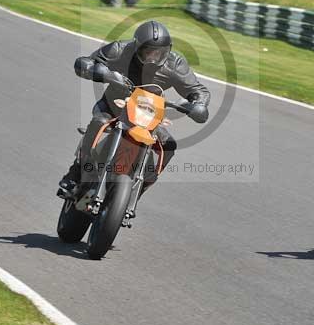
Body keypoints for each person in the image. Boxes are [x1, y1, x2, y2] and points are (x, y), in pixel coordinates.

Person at [59, 20, 211, 197]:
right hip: (113, 106)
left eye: (159, 52)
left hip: (148, 114)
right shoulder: (120, 50)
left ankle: (139, 188)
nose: (153, 57)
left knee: (168, 145)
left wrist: (198, 104)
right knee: (99, 122)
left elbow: (198, 90)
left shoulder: (175, 63)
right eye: (148, 52)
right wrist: (102, 72)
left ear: (168, 49)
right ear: (137, 47)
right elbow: (86, 62)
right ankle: (75, 173)